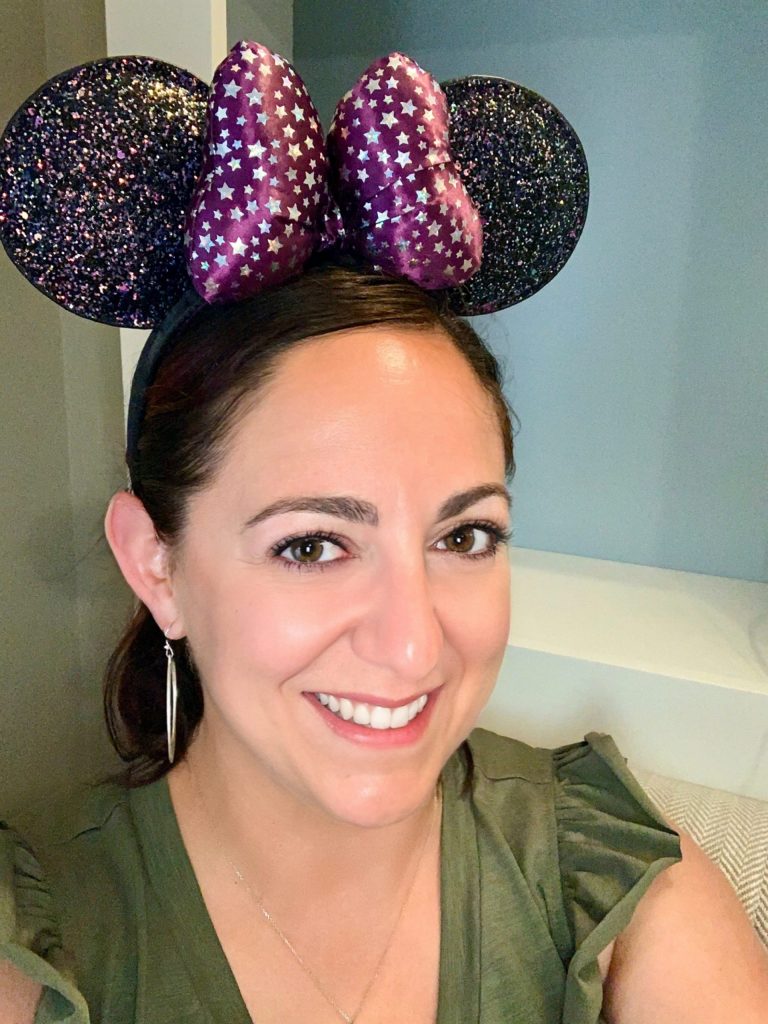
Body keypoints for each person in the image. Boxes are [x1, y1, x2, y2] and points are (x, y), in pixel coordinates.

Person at [2, 41, 767, 1024]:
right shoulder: (46, 942)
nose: (413, 645)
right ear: (157, 565)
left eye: (465, 536)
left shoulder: (611, 878)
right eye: (312, 545)